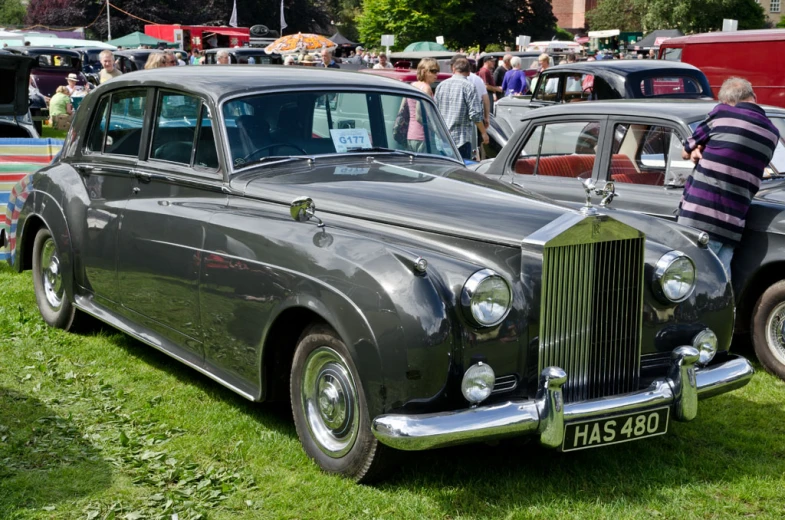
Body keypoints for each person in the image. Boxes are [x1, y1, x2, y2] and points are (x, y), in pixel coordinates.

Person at [678, 77, 780, 275]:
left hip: (698, 218)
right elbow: (741, 157)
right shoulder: (772, 133)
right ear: (754, 96)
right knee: (720, 287)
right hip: (734, 222)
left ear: (726, 103)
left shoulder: (721, 113)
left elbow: (685, 150)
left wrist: (698, 148)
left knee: (692, 284)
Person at [434, 57, 488, 161]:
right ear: (469, 72)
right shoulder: (469, 87)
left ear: (453, 69)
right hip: (461, 139)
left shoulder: (441, 85)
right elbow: (475, 115)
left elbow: (435, 110)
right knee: (460, 173)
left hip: (442, 139)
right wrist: (483, 132)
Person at [402, 58, 439, 152]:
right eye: (433, 71)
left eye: (437, 71)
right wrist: (437, 130)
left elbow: (402, 110)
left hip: (410, 135)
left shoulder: (412, 85)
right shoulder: (426, 88)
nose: (436, 75)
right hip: (423, 136)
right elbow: (419, 116)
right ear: (424, 71)